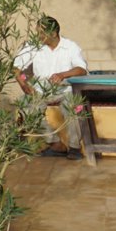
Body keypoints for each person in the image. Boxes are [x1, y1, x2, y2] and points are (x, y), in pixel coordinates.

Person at [15, 16, 88, 156]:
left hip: (66, 89)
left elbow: (81, 69)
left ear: (53, 34)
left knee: (72, 107)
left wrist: (63, 75)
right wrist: (23, 84)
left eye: (42, 33)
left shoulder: (70, 46)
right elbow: (17, 69)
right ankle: (54, 143)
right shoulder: (33, 46)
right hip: (40, 91)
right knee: (27, 108)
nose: (38, 36)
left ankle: (74, 147)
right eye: (38, 32)